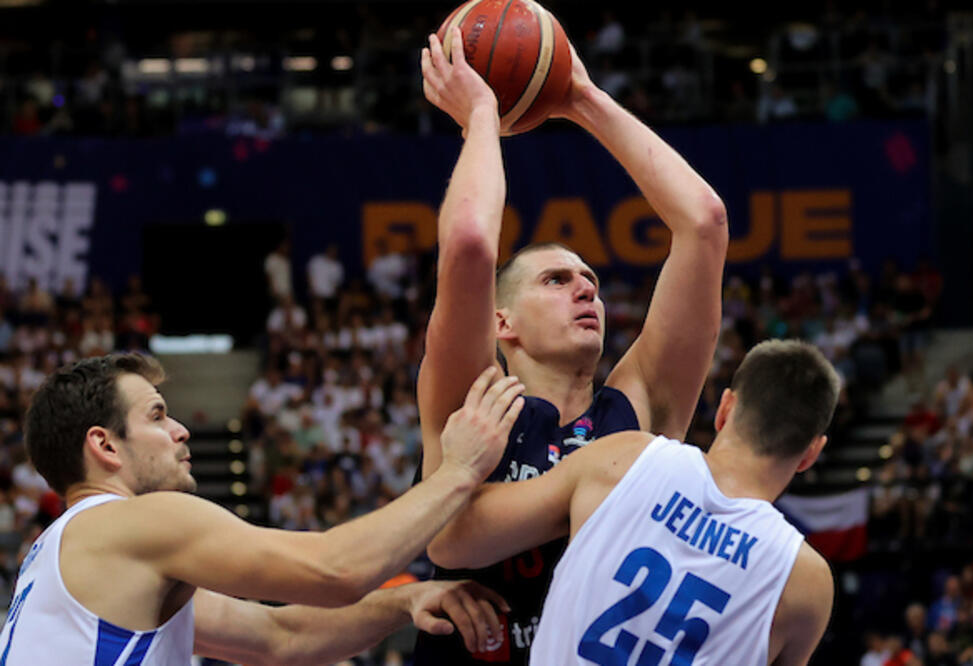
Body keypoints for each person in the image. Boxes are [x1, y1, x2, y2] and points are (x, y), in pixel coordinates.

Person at [414, 24, 728, 663]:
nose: (586, 291)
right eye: (557, 281)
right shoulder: (473, 398)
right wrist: (480, 117)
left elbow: (704, 222)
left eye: (591, 281)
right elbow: (472, 246)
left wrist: (582, 97)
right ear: (503, 323)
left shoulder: (637, 408)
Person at [1, 355, 523, 664]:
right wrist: (459, 470)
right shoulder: (132, 522)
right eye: (158, 415)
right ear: (105, 446)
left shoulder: (65, 553)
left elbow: (280, 638)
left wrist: (403, 603)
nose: (181, 430)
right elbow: (336, 569)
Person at [429, 339, 838, 665]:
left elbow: (450, 542)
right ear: (810, 454)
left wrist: (461, 464)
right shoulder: (806, 581)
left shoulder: (622, 458)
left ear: (725, 408)